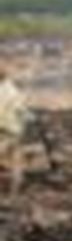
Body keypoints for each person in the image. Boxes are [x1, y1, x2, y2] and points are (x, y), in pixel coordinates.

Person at [0, 66, 30, 195]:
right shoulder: (13, 89)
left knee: (12, 156)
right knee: (15, 159)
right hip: (14, 129)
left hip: (5, 129)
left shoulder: (6, 90)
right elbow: (22, 112)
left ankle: (13, 187)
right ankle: (15, 187)